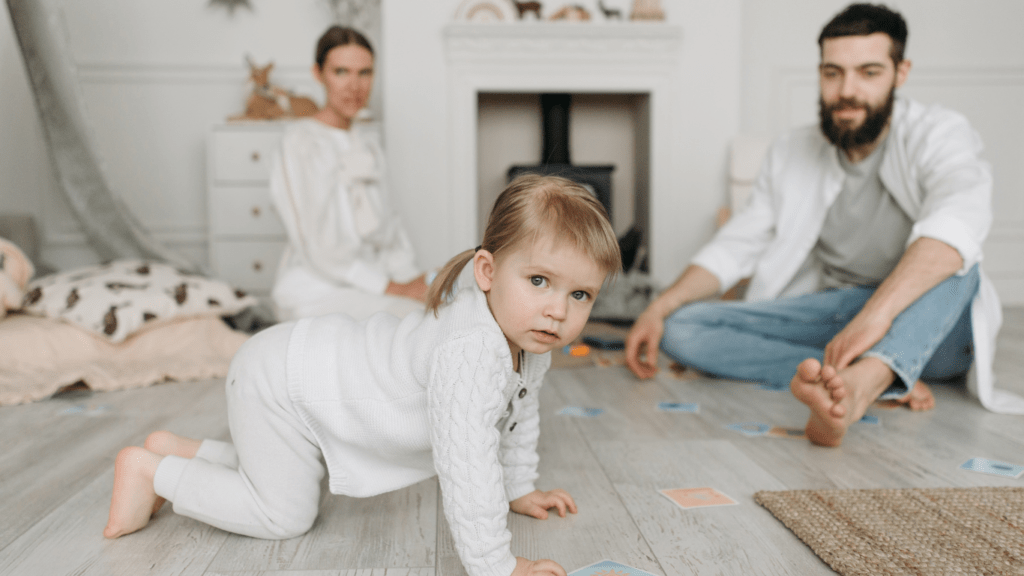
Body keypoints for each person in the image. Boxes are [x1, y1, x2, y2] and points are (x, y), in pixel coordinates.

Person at [103, 175, 622, 576]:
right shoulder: (471, 352)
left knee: (284, 468)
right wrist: (496, 565)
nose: (558, 310)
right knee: (284, 515)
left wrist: (517, 489)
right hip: (283, 381)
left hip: (296, 370)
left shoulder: (528, 341)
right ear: (487, 272)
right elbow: (467, 463)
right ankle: (154, 474)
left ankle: (179, 451)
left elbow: (518, 414)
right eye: (539, 281)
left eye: (579, 295)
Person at [625, 3, 1024, 448]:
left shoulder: (940, 133)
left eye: (868, 72)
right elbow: (734, 248)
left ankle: (866, 382)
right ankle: (861, 375)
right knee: (684, 328)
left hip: (931, 322)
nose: (846, 91)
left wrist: (877, 316)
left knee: (957, 261)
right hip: (835, 315)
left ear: (901, 72)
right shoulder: (791, 151)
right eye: (832, 73)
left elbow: (957, 226)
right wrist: (658, 309)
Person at [270, 25, 428, 322]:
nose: (354, 86)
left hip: (374, 282)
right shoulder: (300, 142)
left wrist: (413, 279)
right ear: (318, 74)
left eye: (364, 73)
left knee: (445, 308)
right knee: (414, 322)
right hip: (318, 286)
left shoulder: (368, 145)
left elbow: (390, 229)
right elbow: (316, 244)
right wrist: (392, 287)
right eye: (341, 72)